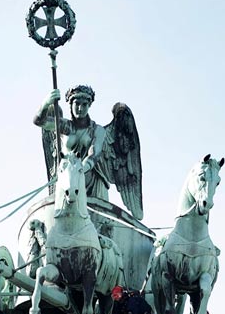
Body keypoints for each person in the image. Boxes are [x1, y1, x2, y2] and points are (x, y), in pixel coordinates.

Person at [33, 84, 143, 220]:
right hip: (69, 180)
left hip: (93, 182)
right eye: (77, 103)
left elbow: (94, 154)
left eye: (84, 104)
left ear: (89, 105)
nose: (80, 108)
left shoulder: (98, 131)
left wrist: (80, 169)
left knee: (99, 224)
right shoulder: (64, 126)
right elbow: (39, 121)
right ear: (70, 104)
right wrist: (46, 102)